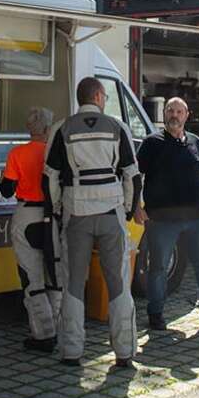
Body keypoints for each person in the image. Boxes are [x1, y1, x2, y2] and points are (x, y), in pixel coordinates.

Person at [45, 77, 140, 368]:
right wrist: (126, 209)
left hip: (76, 214)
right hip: (111, 212)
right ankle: (124, 352)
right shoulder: (117, 127)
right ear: (99, 96)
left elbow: (49, 177)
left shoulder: (62, 128)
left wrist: (59, 209)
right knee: (118, 282)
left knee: (73, 283)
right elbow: (132, 176)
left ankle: (72, 351)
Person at [136, 98, 199, 332]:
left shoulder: (195, 142)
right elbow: (135, 175)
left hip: (196, 215)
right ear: (165, 114)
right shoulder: (151, 143)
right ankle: (156, 312)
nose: (174, 115)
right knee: (158, 268)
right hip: (162, 218)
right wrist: (136, 207)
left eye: (179, 111)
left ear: (187, 115)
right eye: (170, 111)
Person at [0, 107, 62, 351]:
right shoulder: (54, 153)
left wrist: (2, 177)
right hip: (52, 216)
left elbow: (6, 190)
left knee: (31, 277)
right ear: (48, 129)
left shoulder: (17, 153)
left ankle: (43, 334)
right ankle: (56, 329)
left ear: (29, 128)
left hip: (26, 216)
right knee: (54, 276)